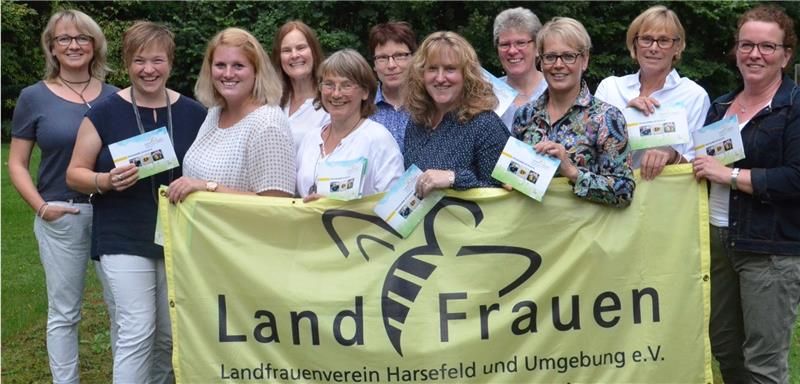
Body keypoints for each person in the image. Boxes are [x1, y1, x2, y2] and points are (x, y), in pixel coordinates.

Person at [66, 21, 206, 383]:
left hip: (178, 236)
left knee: (169, 335)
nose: (148, 70)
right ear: (127, 63)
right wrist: (105, 180)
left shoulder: (195, 113)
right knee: (137, 328)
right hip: (122, 233)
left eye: (157, 60)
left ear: (170, 63)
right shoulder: (103, 113)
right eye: (139, 60)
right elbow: (74, 173)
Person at [8, 9, 118, 384]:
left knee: (124, 311)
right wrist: (41, 207)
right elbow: (17, 164)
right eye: (64, 39)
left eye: (82, 38)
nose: (74, 45)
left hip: (114, 215)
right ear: (52, 48)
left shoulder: (118, 97)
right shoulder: (34, 97)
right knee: (65, 312)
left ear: (95, 44)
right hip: (62, 213)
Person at [691, 4, 799, 383]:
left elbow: (795, 178)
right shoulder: (721, 106)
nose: (755, 54)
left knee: (763, 362)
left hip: (768, 249)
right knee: (723, 346)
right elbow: (699, 164)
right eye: (746, 45)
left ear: (786, 55)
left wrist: (731, 175)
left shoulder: (794, 107)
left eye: (768, 47)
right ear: (736, 50)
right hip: (718, 242)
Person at [513, 17, 634, 207]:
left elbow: (624, 191)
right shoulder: (525, 115)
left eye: (568, 56)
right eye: (550, 57)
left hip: (583, 234)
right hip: (531, 232)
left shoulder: (606, 117)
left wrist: (572, 172)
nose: (558, 65)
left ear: (584, 60)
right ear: (541, 62)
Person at [167, 28, 295, 203]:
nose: (228, 74)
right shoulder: (215, 112)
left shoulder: (268, 124)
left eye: (238, 66)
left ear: (256, 71)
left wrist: (208, 187)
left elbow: (278, 204)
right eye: (220, 65)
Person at [595, 5, 710, 180]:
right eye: (646, 39)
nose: (653, 48)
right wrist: (622, 118)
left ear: (677, 47)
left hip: (666, 201)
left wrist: (672, 155)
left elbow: (702, 165)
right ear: (635, 43)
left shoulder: (694, 95)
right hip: (611, 198)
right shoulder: (610, 88)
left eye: (663, 40)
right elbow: (587, 149)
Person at [403, 31, 510, 198]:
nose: (439, 78)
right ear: (421, 74)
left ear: (466, 75)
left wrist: (454, 178)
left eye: (449, 69)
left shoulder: (485, 124)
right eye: (432, 69)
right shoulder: (416, 122)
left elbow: (506, 194)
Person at [296, 49, 403, 201]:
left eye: (346, 85)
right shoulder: (310, 139)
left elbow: (393, 205)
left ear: (365, 92)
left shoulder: (379, 140)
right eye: (329, 84)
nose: (336, 94)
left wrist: (336, 207)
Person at [271, 20, 330, 148]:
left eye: (301, 48)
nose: (294, 55)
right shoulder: (270, 102)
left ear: (313, 51)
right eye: (286, 50)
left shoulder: (330, 102)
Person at [493, 7, 548, 130]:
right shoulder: (488, 94)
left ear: (538, 47)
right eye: (505, 44)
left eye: (521, 43)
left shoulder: (555, 90)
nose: (512, 50)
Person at [368, 21, 417, 151]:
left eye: (400, 56)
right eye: (382, 57)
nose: (391, 65)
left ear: (414, 58)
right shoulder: (362, 107)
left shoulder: (431, 103)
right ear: (374, 64)